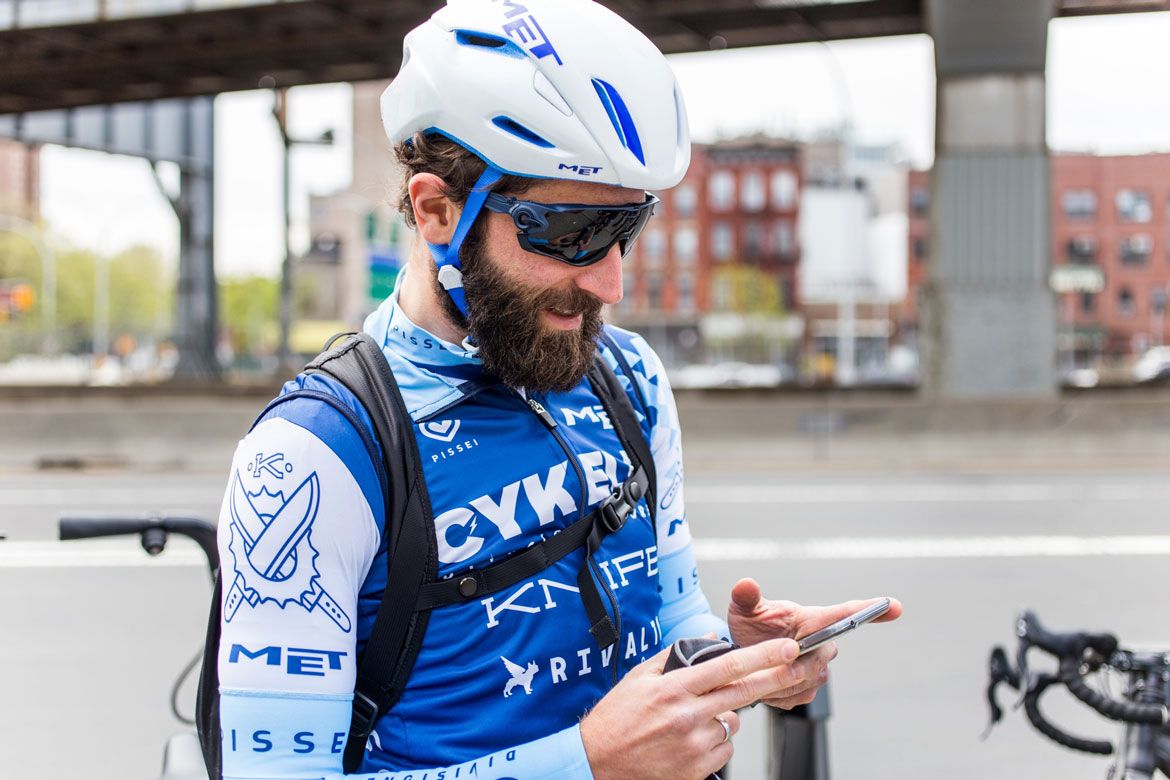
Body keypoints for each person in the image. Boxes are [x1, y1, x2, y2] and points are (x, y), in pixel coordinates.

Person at [212, 1, 902, 778]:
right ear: (435, 209)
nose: (609, 280)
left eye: (627, 229)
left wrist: (732, 658)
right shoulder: (318, 454)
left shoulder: (629, 378)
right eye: (571, 233)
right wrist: (589, 762)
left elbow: (667, 618)